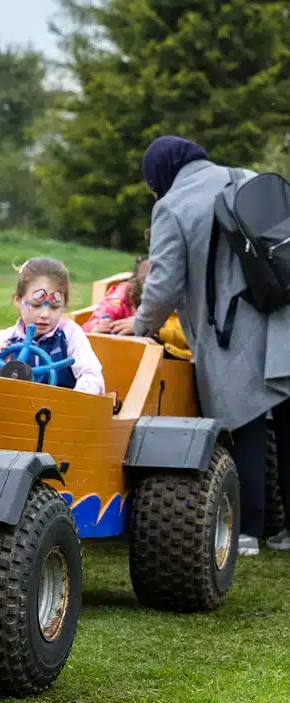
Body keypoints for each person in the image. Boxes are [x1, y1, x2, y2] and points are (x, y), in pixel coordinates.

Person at [128, 135, 290, 556]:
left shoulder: (171, 206)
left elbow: (163, 286)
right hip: (283, 316)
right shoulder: (245, 177)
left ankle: (249, 531)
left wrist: (140, 325)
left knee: (245, 424)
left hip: (232, 330)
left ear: (161, 173)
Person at [0, 257, 105, 395]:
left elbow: (92, 376)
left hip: (63, 410)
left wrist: (75, 400)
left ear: (64, 304)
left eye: (54, 307)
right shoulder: (7, 339)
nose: (45, 314)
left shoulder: (70, 334)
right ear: (18, 300)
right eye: (36, 305)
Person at [86, 256, 191, 360]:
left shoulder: (186, 298)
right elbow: (88, 326)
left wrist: (148, 325)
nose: (153, 285)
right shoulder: (122, 296)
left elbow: (194, 337)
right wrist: (97, 328)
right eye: (146, 279)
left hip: (173, 363)